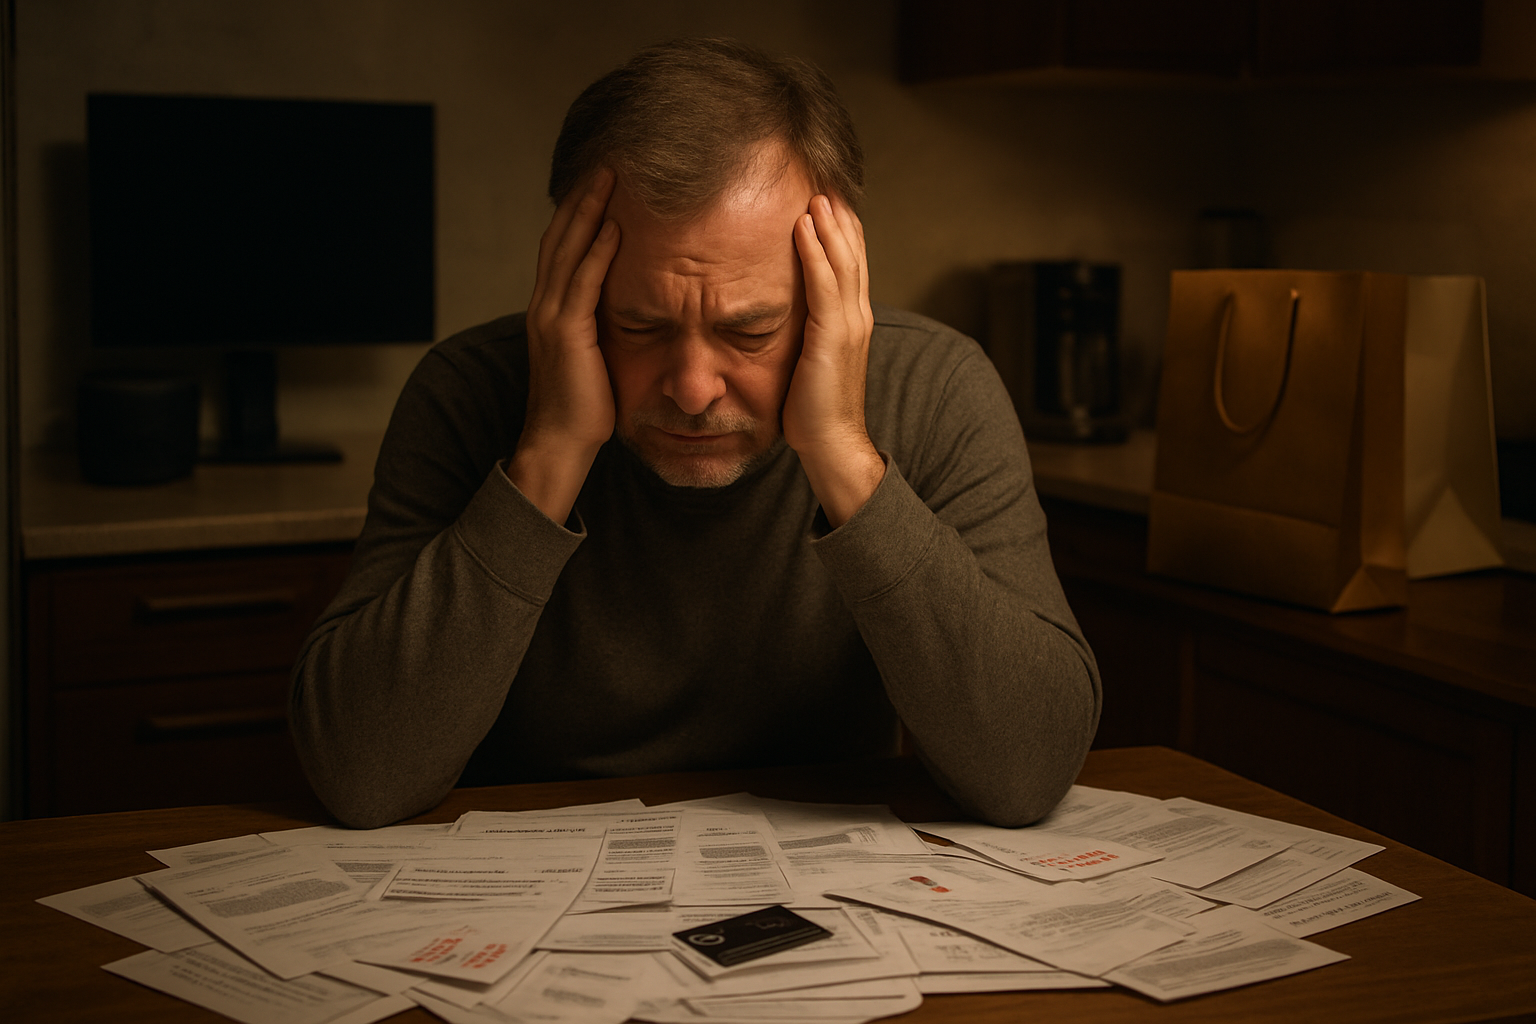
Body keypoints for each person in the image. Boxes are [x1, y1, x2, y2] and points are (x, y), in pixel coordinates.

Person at [290, 38, 1101, 830]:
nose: (691, 388)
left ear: (833, 281)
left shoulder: (939, 387)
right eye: (638, 324)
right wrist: (549, 452)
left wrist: (844, 457)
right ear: (570, 285)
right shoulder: (466, 392)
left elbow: (1024, 773)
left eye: (751, 331)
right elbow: (363, 777)